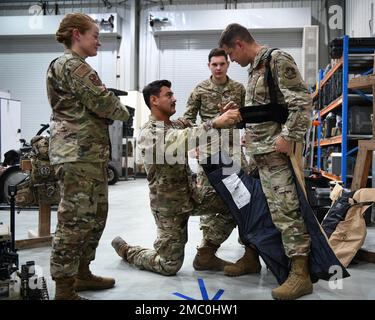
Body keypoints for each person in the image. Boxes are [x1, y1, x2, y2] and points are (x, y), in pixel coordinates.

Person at [218, 23, 313, 300]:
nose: (231, 61)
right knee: (253, 209)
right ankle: (251, 256)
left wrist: (288, 136)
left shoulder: (276, 59)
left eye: (230, 54)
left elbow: (301, 102)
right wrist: (242, 115)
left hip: (276, 154)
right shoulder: (254, 70)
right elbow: (271, 109)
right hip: (257, 154)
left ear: (238, 44)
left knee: (286, 211)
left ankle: (300, 274)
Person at [111, 80, 242, 276]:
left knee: (235, 201)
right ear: (154, 100)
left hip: (192, 196)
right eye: (169, 95)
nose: (174, 99)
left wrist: (224, 115)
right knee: (169, 265)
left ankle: (206, 253)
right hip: (169, 207)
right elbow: (180, 139)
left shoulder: (176, 124)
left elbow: (200, 131)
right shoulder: (149, 133)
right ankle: (128, 251)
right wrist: (215, 122)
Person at [47, 13, 131, 300]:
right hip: (76, 155)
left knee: (95, 217)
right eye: (94, 35)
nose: (98, 40)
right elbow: (104, 102)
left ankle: (82, 273)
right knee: (74, 221)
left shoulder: (75, 65)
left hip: (88, 155)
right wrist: (123, 110)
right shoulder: (72, 65)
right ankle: (64, 287)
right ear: (76, 34)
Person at [183, 48, 259, 276]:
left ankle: (250, 249)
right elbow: (188, 119)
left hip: (234, 150)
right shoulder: (200, 89)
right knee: (211, 197)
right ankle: (207, 249)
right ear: (209, 66)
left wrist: (249, 134)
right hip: (209, 151)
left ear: (228, 64)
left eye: (222, 64)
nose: (218, 68)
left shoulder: (238, 89)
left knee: (244, 197)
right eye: (214, 64)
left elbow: (248, 117)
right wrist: (192, 144)